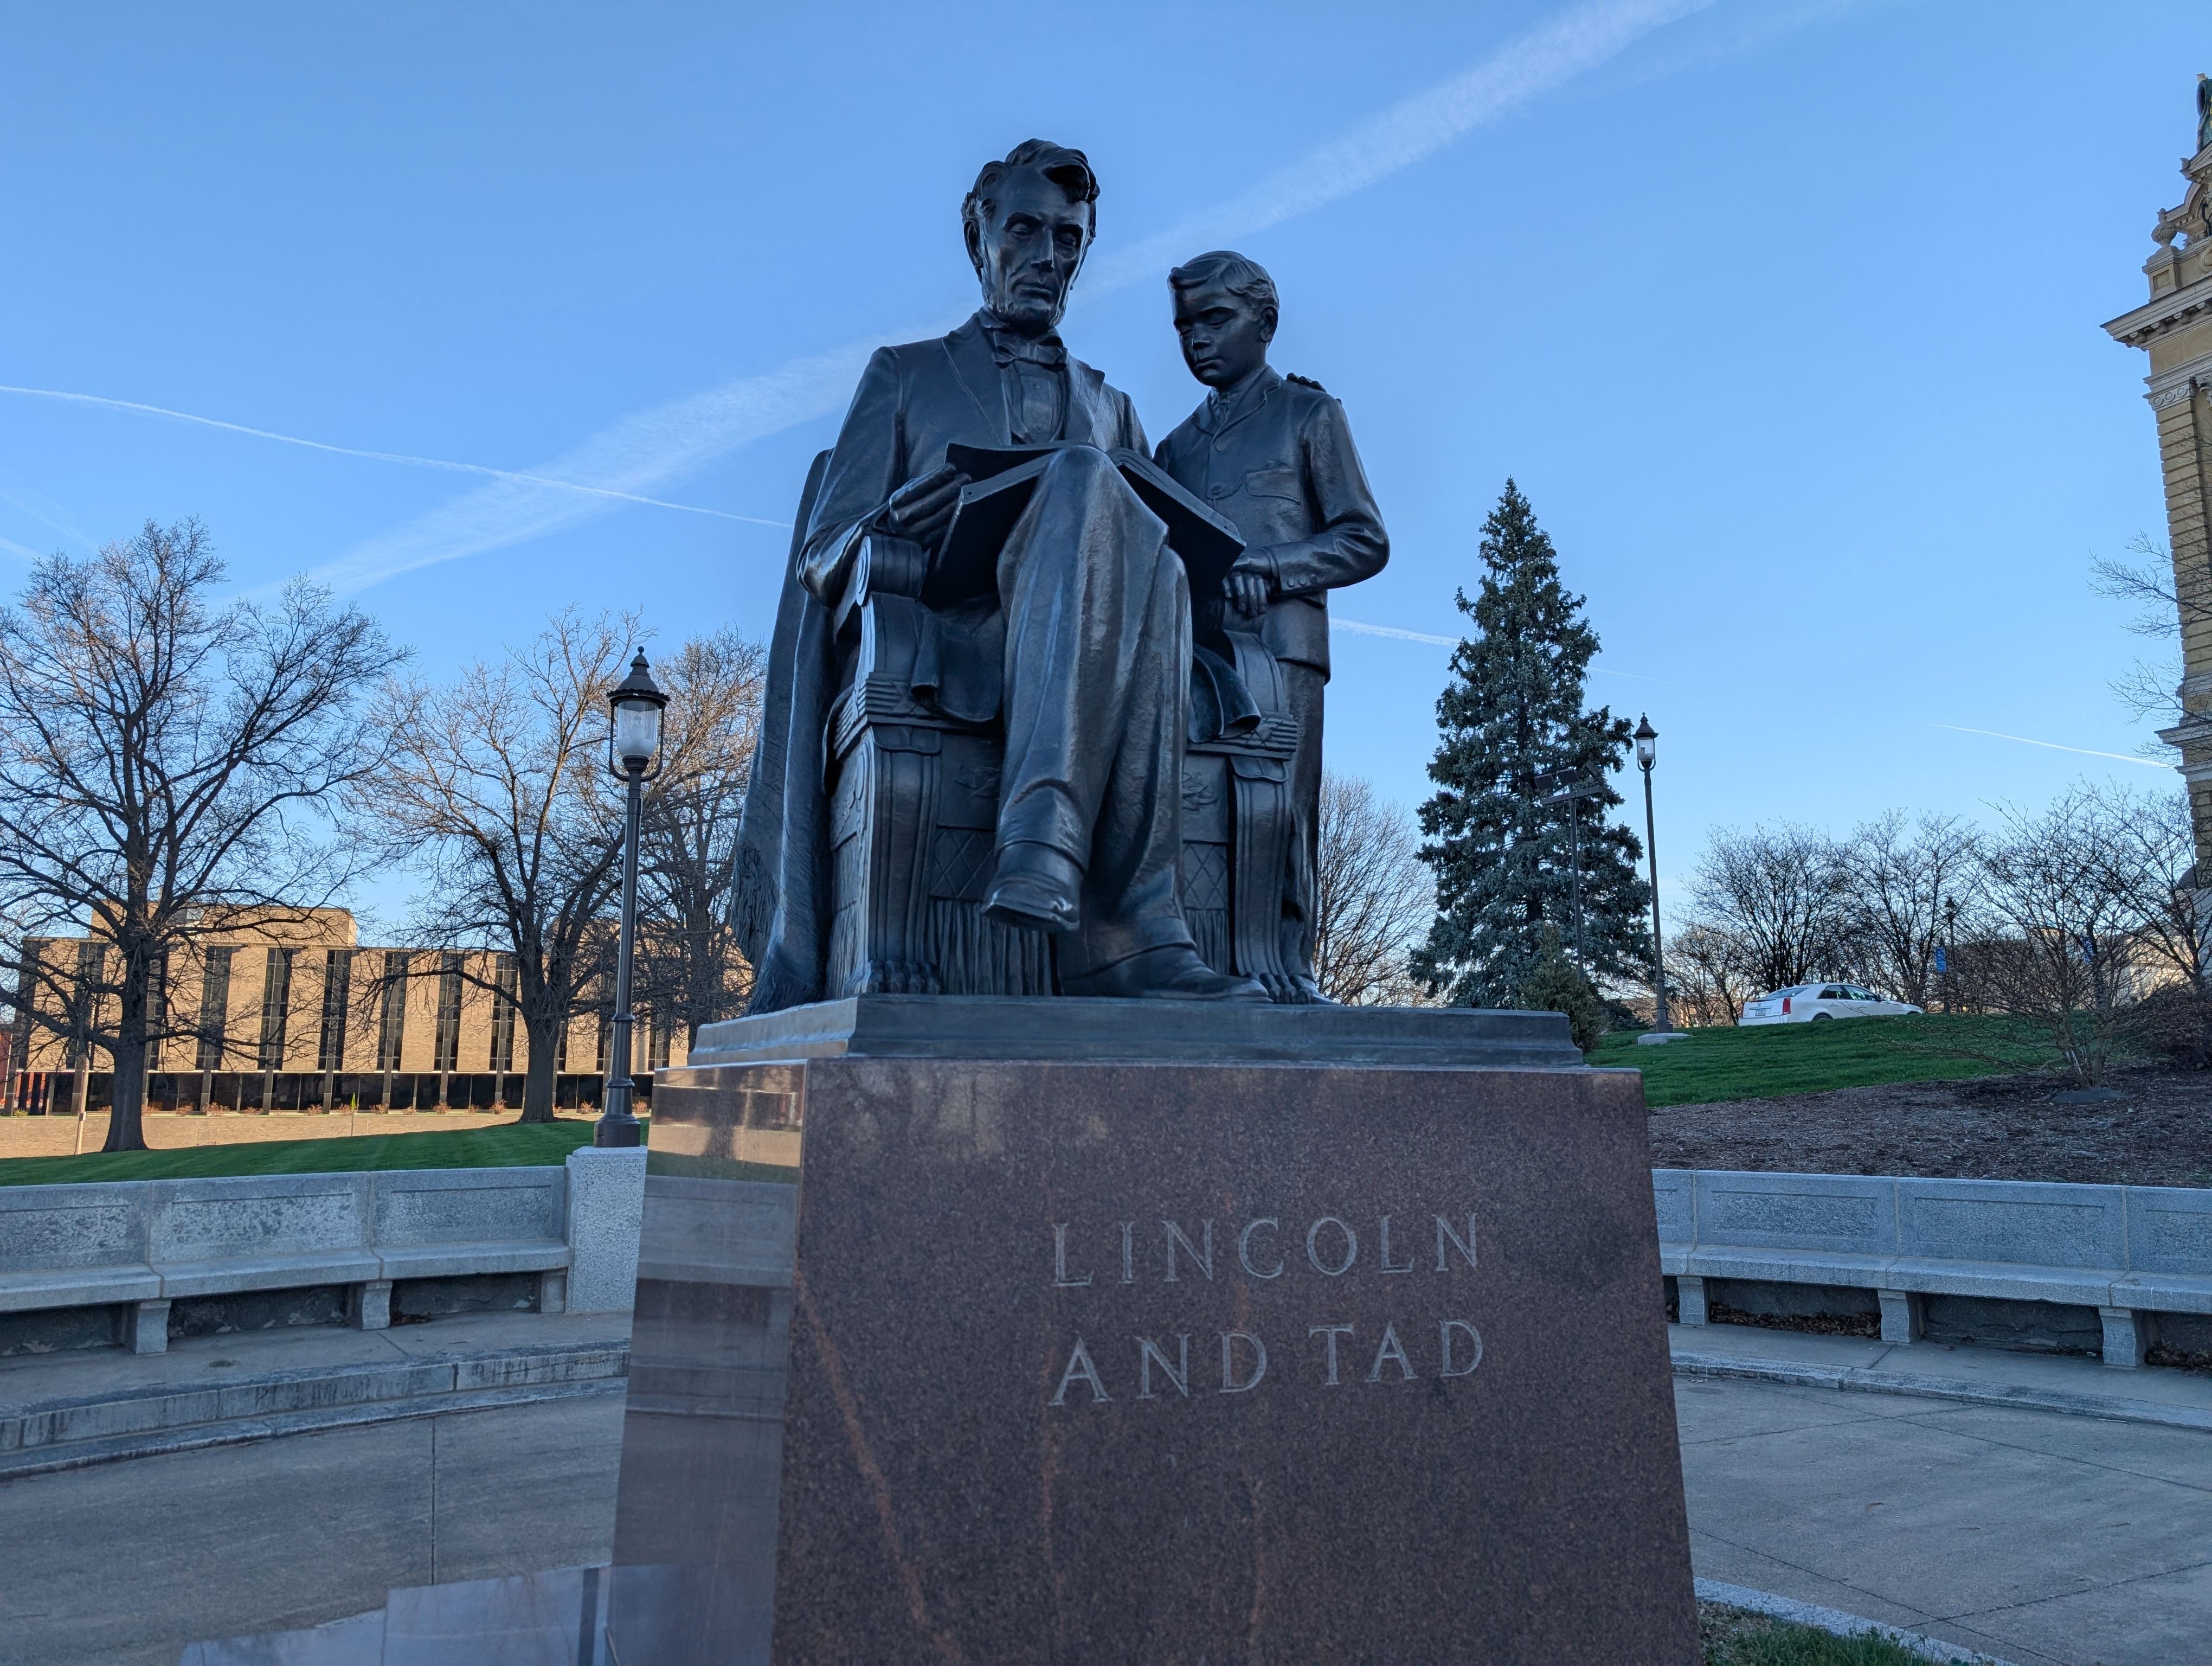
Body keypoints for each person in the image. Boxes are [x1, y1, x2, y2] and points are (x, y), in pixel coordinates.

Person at [738, 143, 1264, 1006]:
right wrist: (886, 522)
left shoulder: (1113, 406)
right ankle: (1047, 843)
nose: (1048, 257)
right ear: (978, 237)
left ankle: (1131, 932)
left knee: (1163, 567)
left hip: (1105, 648)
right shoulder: (904, 375)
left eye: (1068, 239)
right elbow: (822, 550)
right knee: (1086, 476)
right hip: (958, 635)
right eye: (1025, 229)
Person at [1154, 251, 1390, 1003]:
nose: (1197, 339)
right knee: (1197, 809)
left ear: (1266, 322)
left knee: (1282, 815)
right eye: (1185, 326)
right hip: (1194, 659)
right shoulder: (1172, 449)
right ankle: (1209, 964)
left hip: (1286, 654)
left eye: (1215, 320)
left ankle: (1289, 968)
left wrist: (1274, 565)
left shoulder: (1310, 415)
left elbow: (1365, 538)